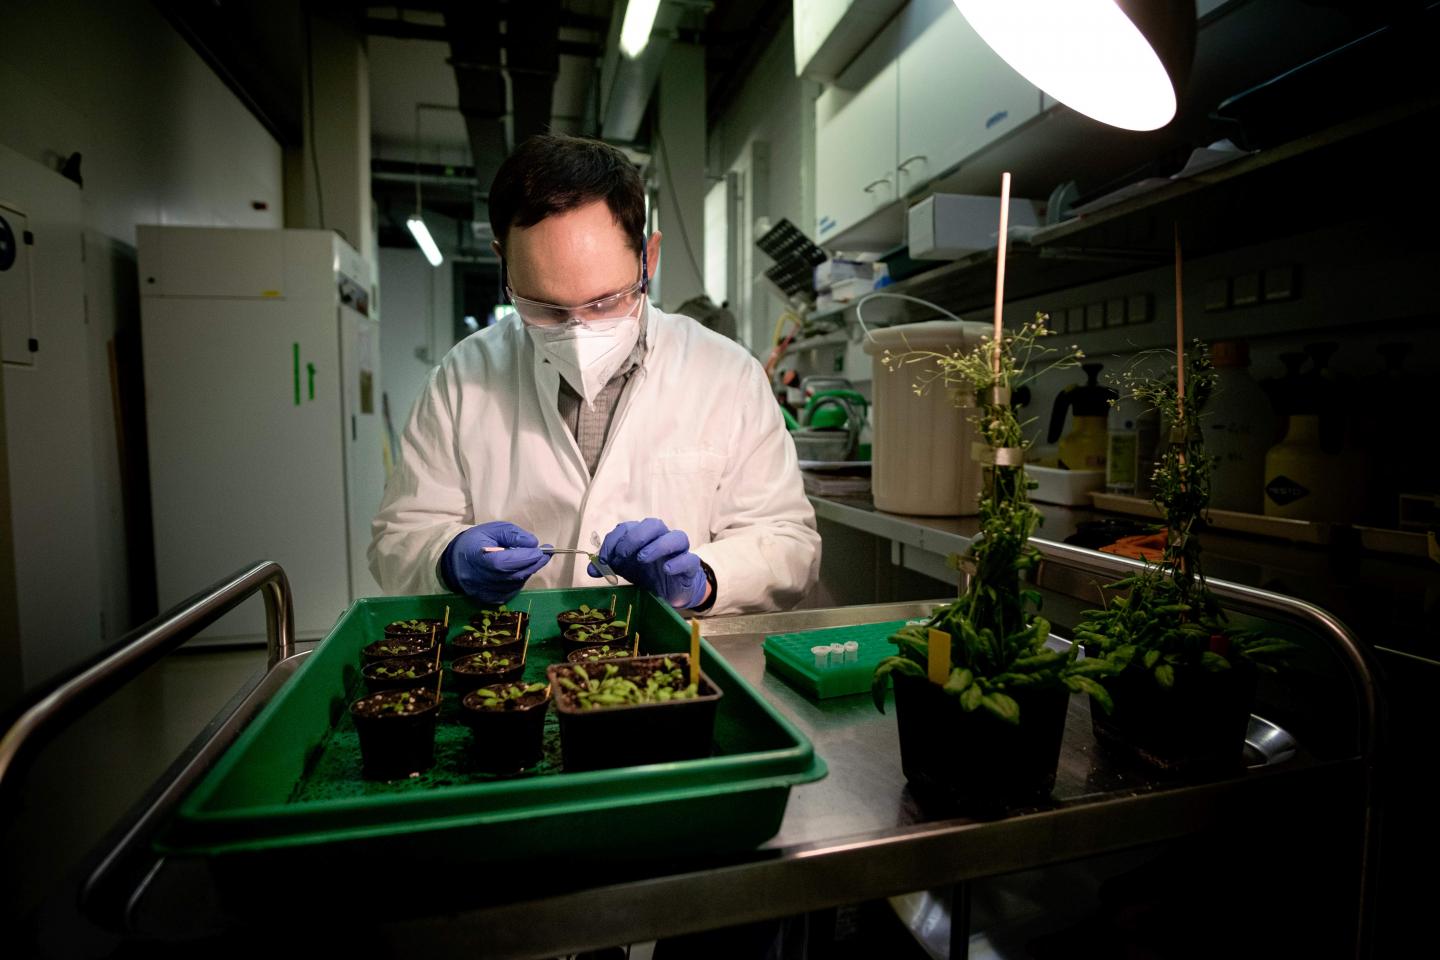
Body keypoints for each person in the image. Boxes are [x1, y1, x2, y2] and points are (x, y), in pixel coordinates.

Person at [369, 134, 820, 615]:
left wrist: (703, 580)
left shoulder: (727, 375)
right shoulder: (460, 379)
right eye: (545, 309)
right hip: (516, 666)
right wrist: (447, 561)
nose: (579, 333)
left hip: (675, 662)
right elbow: (399, 538)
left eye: (606, 302)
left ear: (648, 259)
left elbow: (788, 543)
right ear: (504, 263)